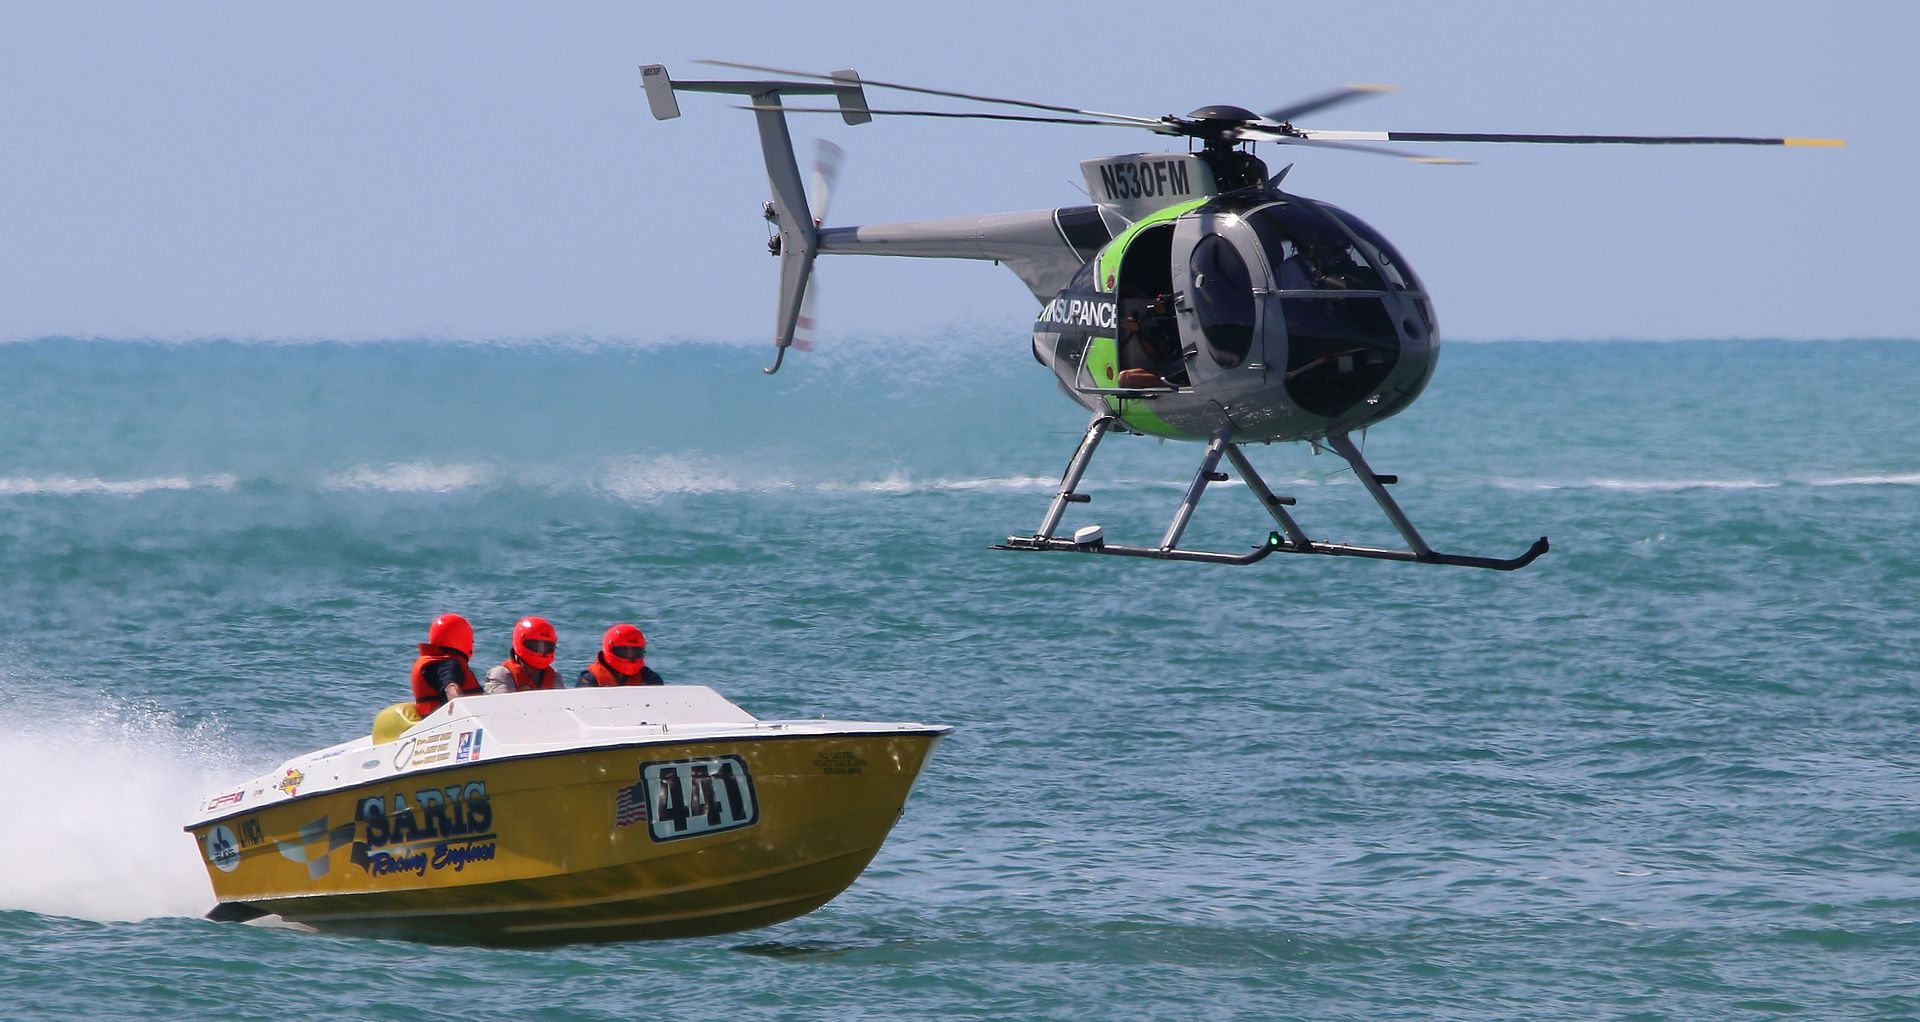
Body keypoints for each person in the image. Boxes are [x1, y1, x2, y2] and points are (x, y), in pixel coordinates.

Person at [410, 613, 481, 716]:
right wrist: (464, 714)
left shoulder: (432, 662)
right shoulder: (448, 664)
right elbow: (450, 687)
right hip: (451, 721)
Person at [484, 616, 560, 694]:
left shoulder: (555, 677)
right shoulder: (502, 675)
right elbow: (502, 700)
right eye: (536, 646)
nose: (542, 651)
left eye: (546, 646)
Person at [576, 623, 664, 687]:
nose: (630, 657)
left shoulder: (649, 677)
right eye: (624, 651)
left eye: (635, 652)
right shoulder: (590, 677)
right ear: (609, 649)